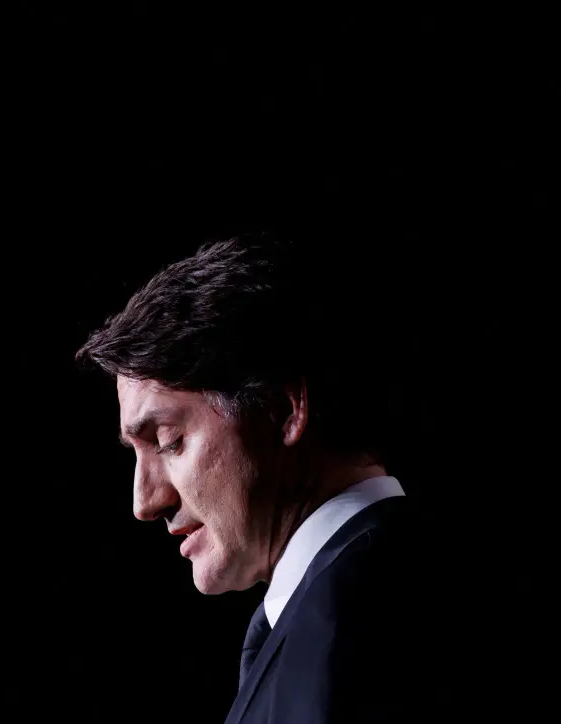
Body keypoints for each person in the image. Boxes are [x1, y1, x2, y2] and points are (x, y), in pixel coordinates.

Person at [75, 232, 451, 723]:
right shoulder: (353, 598)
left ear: (280, 411)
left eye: (168, 440)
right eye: (137, 451)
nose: (144, 502)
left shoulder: (349, 627)